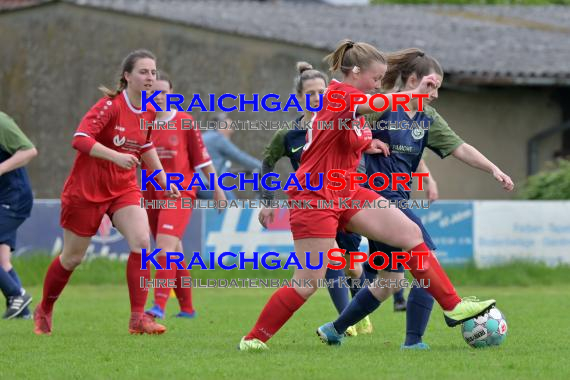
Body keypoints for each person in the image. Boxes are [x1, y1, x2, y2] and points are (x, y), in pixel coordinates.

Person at [239, 39, 496, 351]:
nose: (377, 85)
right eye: (375, 79)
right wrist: (413, 95)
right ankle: (254, 339)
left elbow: (341, 135)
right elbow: (373, 107)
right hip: (314, 195)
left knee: (409, 232)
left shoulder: (354, 102)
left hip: (346, 189)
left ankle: (453, 306)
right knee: (307, 281)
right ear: (356, 72)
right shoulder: (339, 93)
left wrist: (366, 144)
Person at [326, 48, 515, 349]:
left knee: (389, 281)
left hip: (395, 200)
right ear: (412, 79)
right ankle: (414, 341)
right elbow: (340, 127)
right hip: (374, 197)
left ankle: (334, 329)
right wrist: (363, 144)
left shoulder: (427, 116)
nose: (435, 94)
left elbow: (460, 147)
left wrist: (494, 169)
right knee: (426, 259)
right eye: (432, 85)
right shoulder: (380, 105)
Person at [33, 49, 179, 336]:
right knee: (72, 258)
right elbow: (80, 138)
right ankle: (45, 309)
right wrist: (115, 156)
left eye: (153, 72)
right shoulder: (109, 105)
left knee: (141, 242)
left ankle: (138, 319)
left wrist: (163, 178)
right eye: (143, 71)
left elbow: (145, 146)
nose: (150, 77)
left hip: (124, 187)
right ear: (127, 76)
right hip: (86, 189)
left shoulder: (150, 110)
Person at [258, 61, 372, 336]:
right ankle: (345, 322)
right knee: (331, 259)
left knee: (353, 268)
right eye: (310, 92)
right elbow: (266, 163)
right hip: (314, 204)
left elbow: (361, 155)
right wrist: (267, 201)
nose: (317, 96)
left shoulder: (344, 119)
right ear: (299, 98)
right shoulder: (288, 134)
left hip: (344, 200)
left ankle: (360, 314)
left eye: (322, 90)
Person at [143, 73, 226, 320]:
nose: (158, 96)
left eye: (164, 92)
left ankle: (158, 305)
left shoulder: (184, 121)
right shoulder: (141, 123)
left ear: (171, 94)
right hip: (151, 194)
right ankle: (187, 309)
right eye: (153, 92)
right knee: (174, 250)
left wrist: (217, 189)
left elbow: (203, 160)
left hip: (180, 193)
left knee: (164, 248)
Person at [0, 111, 37, 319]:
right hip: (3, 198)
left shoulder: (1, 122)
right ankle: (22, 312)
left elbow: (29, 151)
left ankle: (16, 295)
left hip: (14, 198)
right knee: (3, 261)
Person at [197, 113, 262, 200]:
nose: (232, 131)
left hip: (195, 184)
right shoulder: (217, 138)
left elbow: (212, 164)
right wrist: (262, 166)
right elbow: (240, 156)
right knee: (232, 203)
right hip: (206, 184)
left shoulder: (205, 137)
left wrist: (240, 171)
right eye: (230, 127)